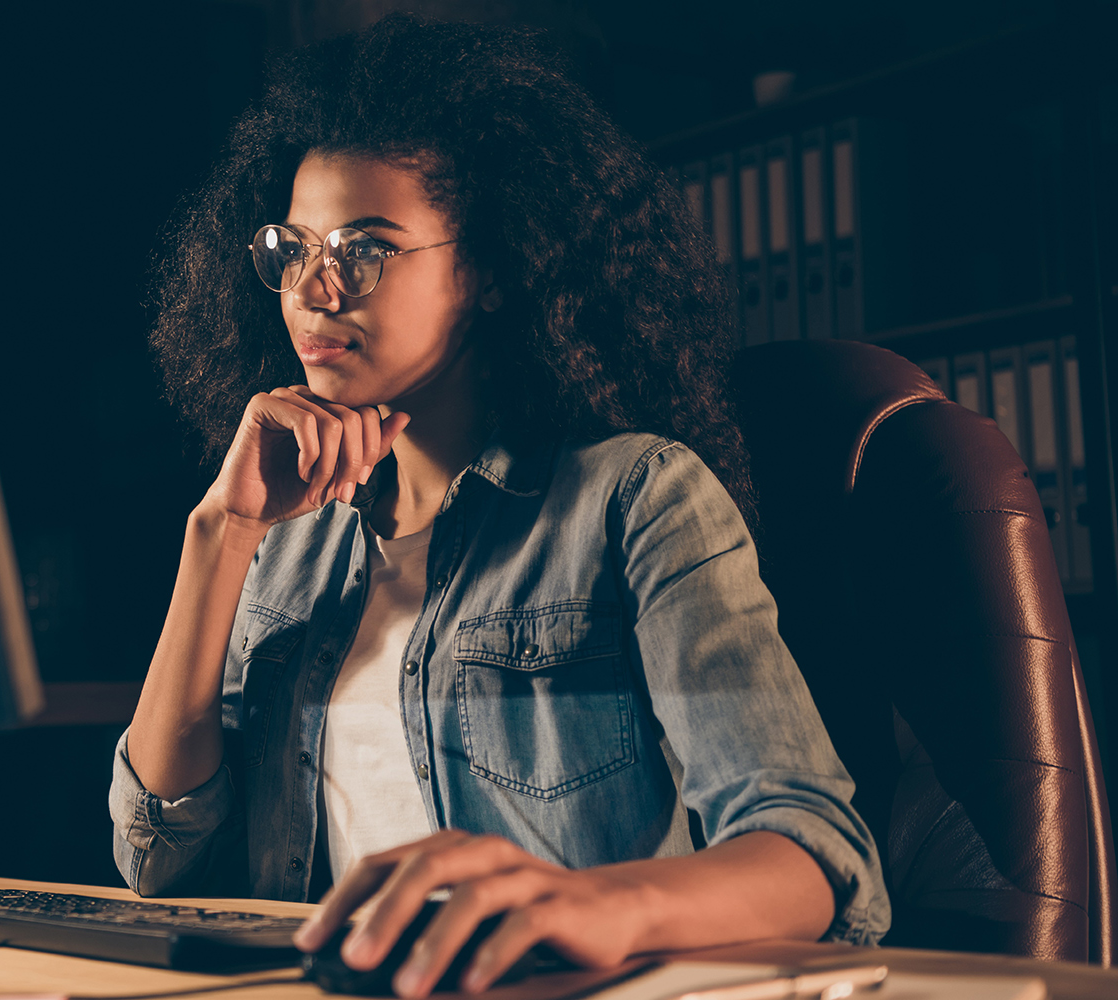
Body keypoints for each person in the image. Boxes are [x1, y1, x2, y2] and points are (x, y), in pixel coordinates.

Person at [109, 15, 888, 997]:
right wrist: (219, 534)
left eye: (365, 246)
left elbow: (809, 845)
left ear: (483, 270)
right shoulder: (287, 547)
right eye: (293, 247)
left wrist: (594, 907)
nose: (313, 287)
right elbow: (156, 859)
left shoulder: (633, 498)